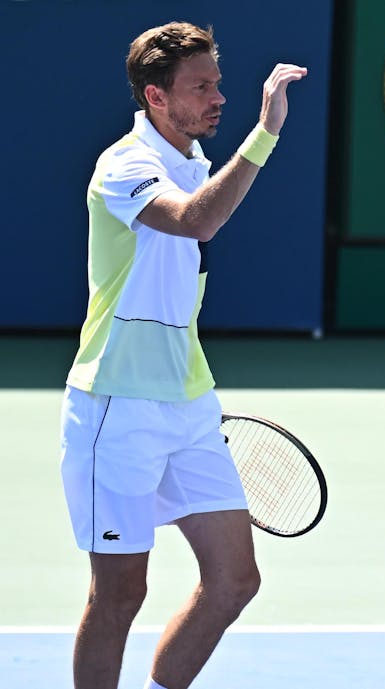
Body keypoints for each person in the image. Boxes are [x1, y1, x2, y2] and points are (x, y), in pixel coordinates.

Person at [58, 22, 306, 689]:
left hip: (190, 401)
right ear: (157, 97)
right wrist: (266, 132)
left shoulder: (194, 162)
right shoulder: (125, 166)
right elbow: (196, 219)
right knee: (118, 595)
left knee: (234, 580)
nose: (218, 97)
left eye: (218, 83)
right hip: (116, 403)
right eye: (201, 87)